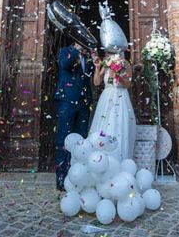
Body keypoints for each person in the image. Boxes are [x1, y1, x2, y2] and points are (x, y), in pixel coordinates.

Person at [54, 41, 94, 191]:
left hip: (83, 103)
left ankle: (77, 175)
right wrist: (76, 50)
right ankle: (61, 176)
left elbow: (89, 76)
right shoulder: (65, 50)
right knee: (64, 139)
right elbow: (65, 64)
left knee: (81, 140)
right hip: (67, 101)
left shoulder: (86, 56)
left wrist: (94, 61)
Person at [90, 49, 136, 162]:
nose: (107, 54)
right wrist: (97, 68)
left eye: (109, 52)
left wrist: (117, 76)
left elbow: (128, 84)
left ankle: (119, 159)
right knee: (103, 126)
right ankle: (100, 160)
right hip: (106, 98)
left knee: (119, 126)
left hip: (120, 98)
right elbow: (96, 82)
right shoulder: (106, 63)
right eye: (106, 52)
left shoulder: (125, 63)